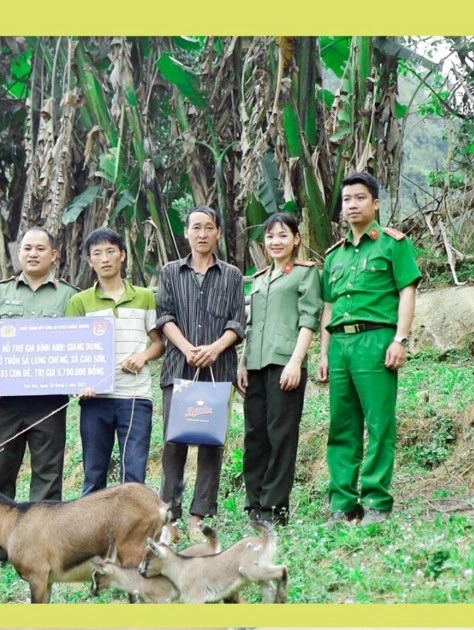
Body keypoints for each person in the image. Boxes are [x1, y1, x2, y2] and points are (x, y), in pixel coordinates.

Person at [0, 227, 78, 571]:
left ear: (54, 255)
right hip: (4, 401)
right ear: (19, 254)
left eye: (40, 248)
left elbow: (79, 343)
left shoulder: (69, 297)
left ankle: (45, 545)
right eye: (27, 248)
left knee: (47, 475)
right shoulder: (0, 294)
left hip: (49, 401)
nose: (33, 254)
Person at [318, 173, 420, 524]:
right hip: (340, 344)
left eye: (360, 198)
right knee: (341, 426)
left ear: (375, 203)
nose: (352, 205)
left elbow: (407, 290)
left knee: (379, 423)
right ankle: (342, 503)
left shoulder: (393, 245)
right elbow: (328, 307)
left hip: (375, 341)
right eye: (346, 200)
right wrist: (323, 353)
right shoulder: (334, 257)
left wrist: (400, 339)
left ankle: (377, 500)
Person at [155, 205, 247, 534]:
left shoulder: (232, 275)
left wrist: (215, 348)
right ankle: (171, 516)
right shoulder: (169, 272)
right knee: (173, 443)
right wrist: (186, 347)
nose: (202, 234)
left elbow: (238, 321)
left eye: (209, 227)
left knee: (211, 443)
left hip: (218, 370)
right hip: (178, 367)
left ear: (218, 233)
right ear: (186, 233)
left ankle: (200, 516)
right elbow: (164, 317)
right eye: (196, 227)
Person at [237, 212, 322, 525]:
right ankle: (254, 505)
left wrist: (296, 362)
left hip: (285, 364)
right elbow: (251, 325)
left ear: (296, 240)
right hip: (255, 366)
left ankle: (274, 508)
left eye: (283, 235)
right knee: (254, 436)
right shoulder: (258, 279)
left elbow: (309, 319)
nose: (276, 241)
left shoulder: (304, 274)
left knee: (281, 436)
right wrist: (242, 362)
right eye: (271, 236)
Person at [65, 228, 163, 494]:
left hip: (135, 397)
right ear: (90, 261)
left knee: (133, 477)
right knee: (94, 474)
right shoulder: (79, 302)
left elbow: (159, 342)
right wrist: (80, 383)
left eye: (110, 251)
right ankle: (91, 535)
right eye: (97, 253)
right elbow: (72, 352)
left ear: (122, 255)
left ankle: (132, 535)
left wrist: (142, 356)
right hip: (95, 399)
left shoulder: (144, 296)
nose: (105, 258)